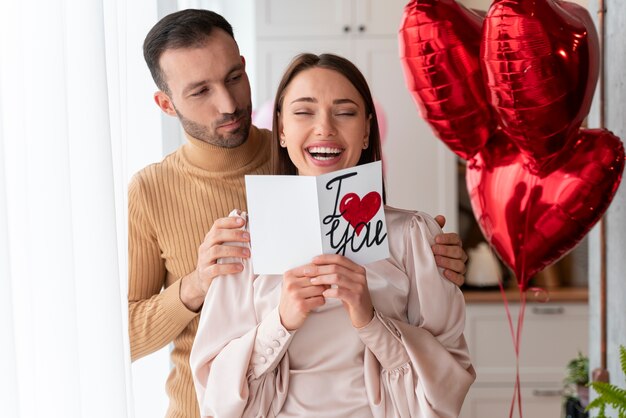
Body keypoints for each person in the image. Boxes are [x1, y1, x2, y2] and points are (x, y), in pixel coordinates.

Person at [130, 9, 468, 418]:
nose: (228, 102)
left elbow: (446, 374)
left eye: (234, 78)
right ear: (165, 104)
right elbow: (125, 340)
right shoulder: (161, 196)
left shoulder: (313, 152)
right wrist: (200, 284)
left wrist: (432, 256)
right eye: (200, 91)